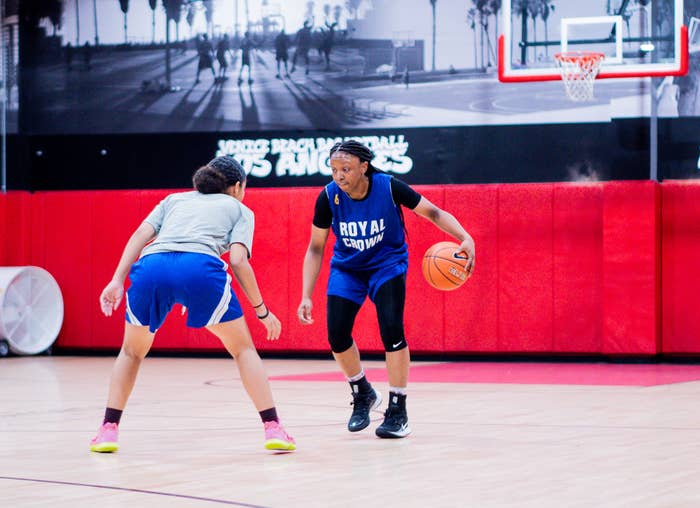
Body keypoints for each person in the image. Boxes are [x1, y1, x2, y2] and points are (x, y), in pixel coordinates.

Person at [90, 156, 296, 453]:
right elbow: (238, 260)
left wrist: (116, 280)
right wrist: (262, 310)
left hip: (152, 267)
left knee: (131, 352)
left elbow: (139, 236)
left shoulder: (173, 200)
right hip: (199, 269)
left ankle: (108, 430)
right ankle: (273, 427)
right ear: (238, 187)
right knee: (243, 349)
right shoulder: (240, 209)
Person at [297, 140, 475, 439]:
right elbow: (316, 248)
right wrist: (305, 294)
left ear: (363, 167)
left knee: (392, 330)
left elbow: (432, 212)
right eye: (334, 170)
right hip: (347, 269)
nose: (339, 176)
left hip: (386, 265)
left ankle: (398, 408)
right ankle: (362, 391)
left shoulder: (389, 187)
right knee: (336, 335)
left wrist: (465, 236)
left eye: (346, 169)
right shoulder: (328, 197)